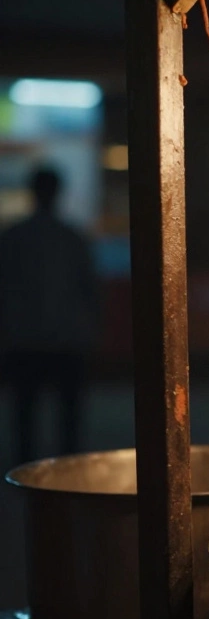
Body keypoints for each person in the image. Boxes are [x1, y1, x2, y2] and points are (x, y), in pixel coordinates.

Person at [0, 167, 99, 465]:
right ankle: (67, 475)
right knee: (69, 421)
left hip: (23, 340)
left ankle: (26, 479)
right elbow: (90, 291)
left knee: (25, 419)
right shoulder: (72, 238)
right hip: (67, 341)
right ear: (58, 193)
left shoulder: (13, 237)